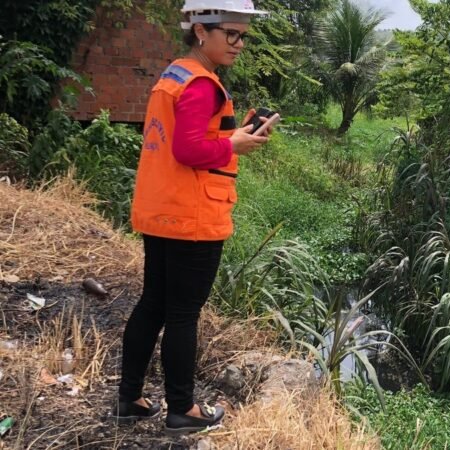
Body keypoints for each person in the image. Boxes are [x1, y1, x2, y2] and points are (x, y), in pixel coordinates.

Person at [111, 0, 278, 435]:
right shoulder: (202, 83)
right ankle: (182, 409)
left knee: (153, 304)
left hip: (163, 211)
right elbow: (187, 151)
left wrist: (233, 133)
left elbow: (191, 138)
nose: (240, 44)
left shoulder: (174, 75)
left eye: (245, 35)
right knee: (183, 314)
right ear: (201, 30)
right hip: (193, 217)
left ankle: (129, 398)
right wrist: (234, 146)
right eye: (232, 34)